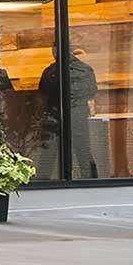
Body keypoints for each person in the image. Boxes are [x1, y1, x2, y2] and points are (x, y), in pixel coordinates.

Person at [39, 48, 99, 178]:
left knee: (48, 155)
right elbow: (92, 92)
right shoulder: (85, 70)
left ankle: (42, 183)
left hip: (54, 115)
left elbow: (43, 95)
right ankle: (91, 183)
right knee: (83, 152)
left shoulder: (50, 72)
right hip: (77, 115)